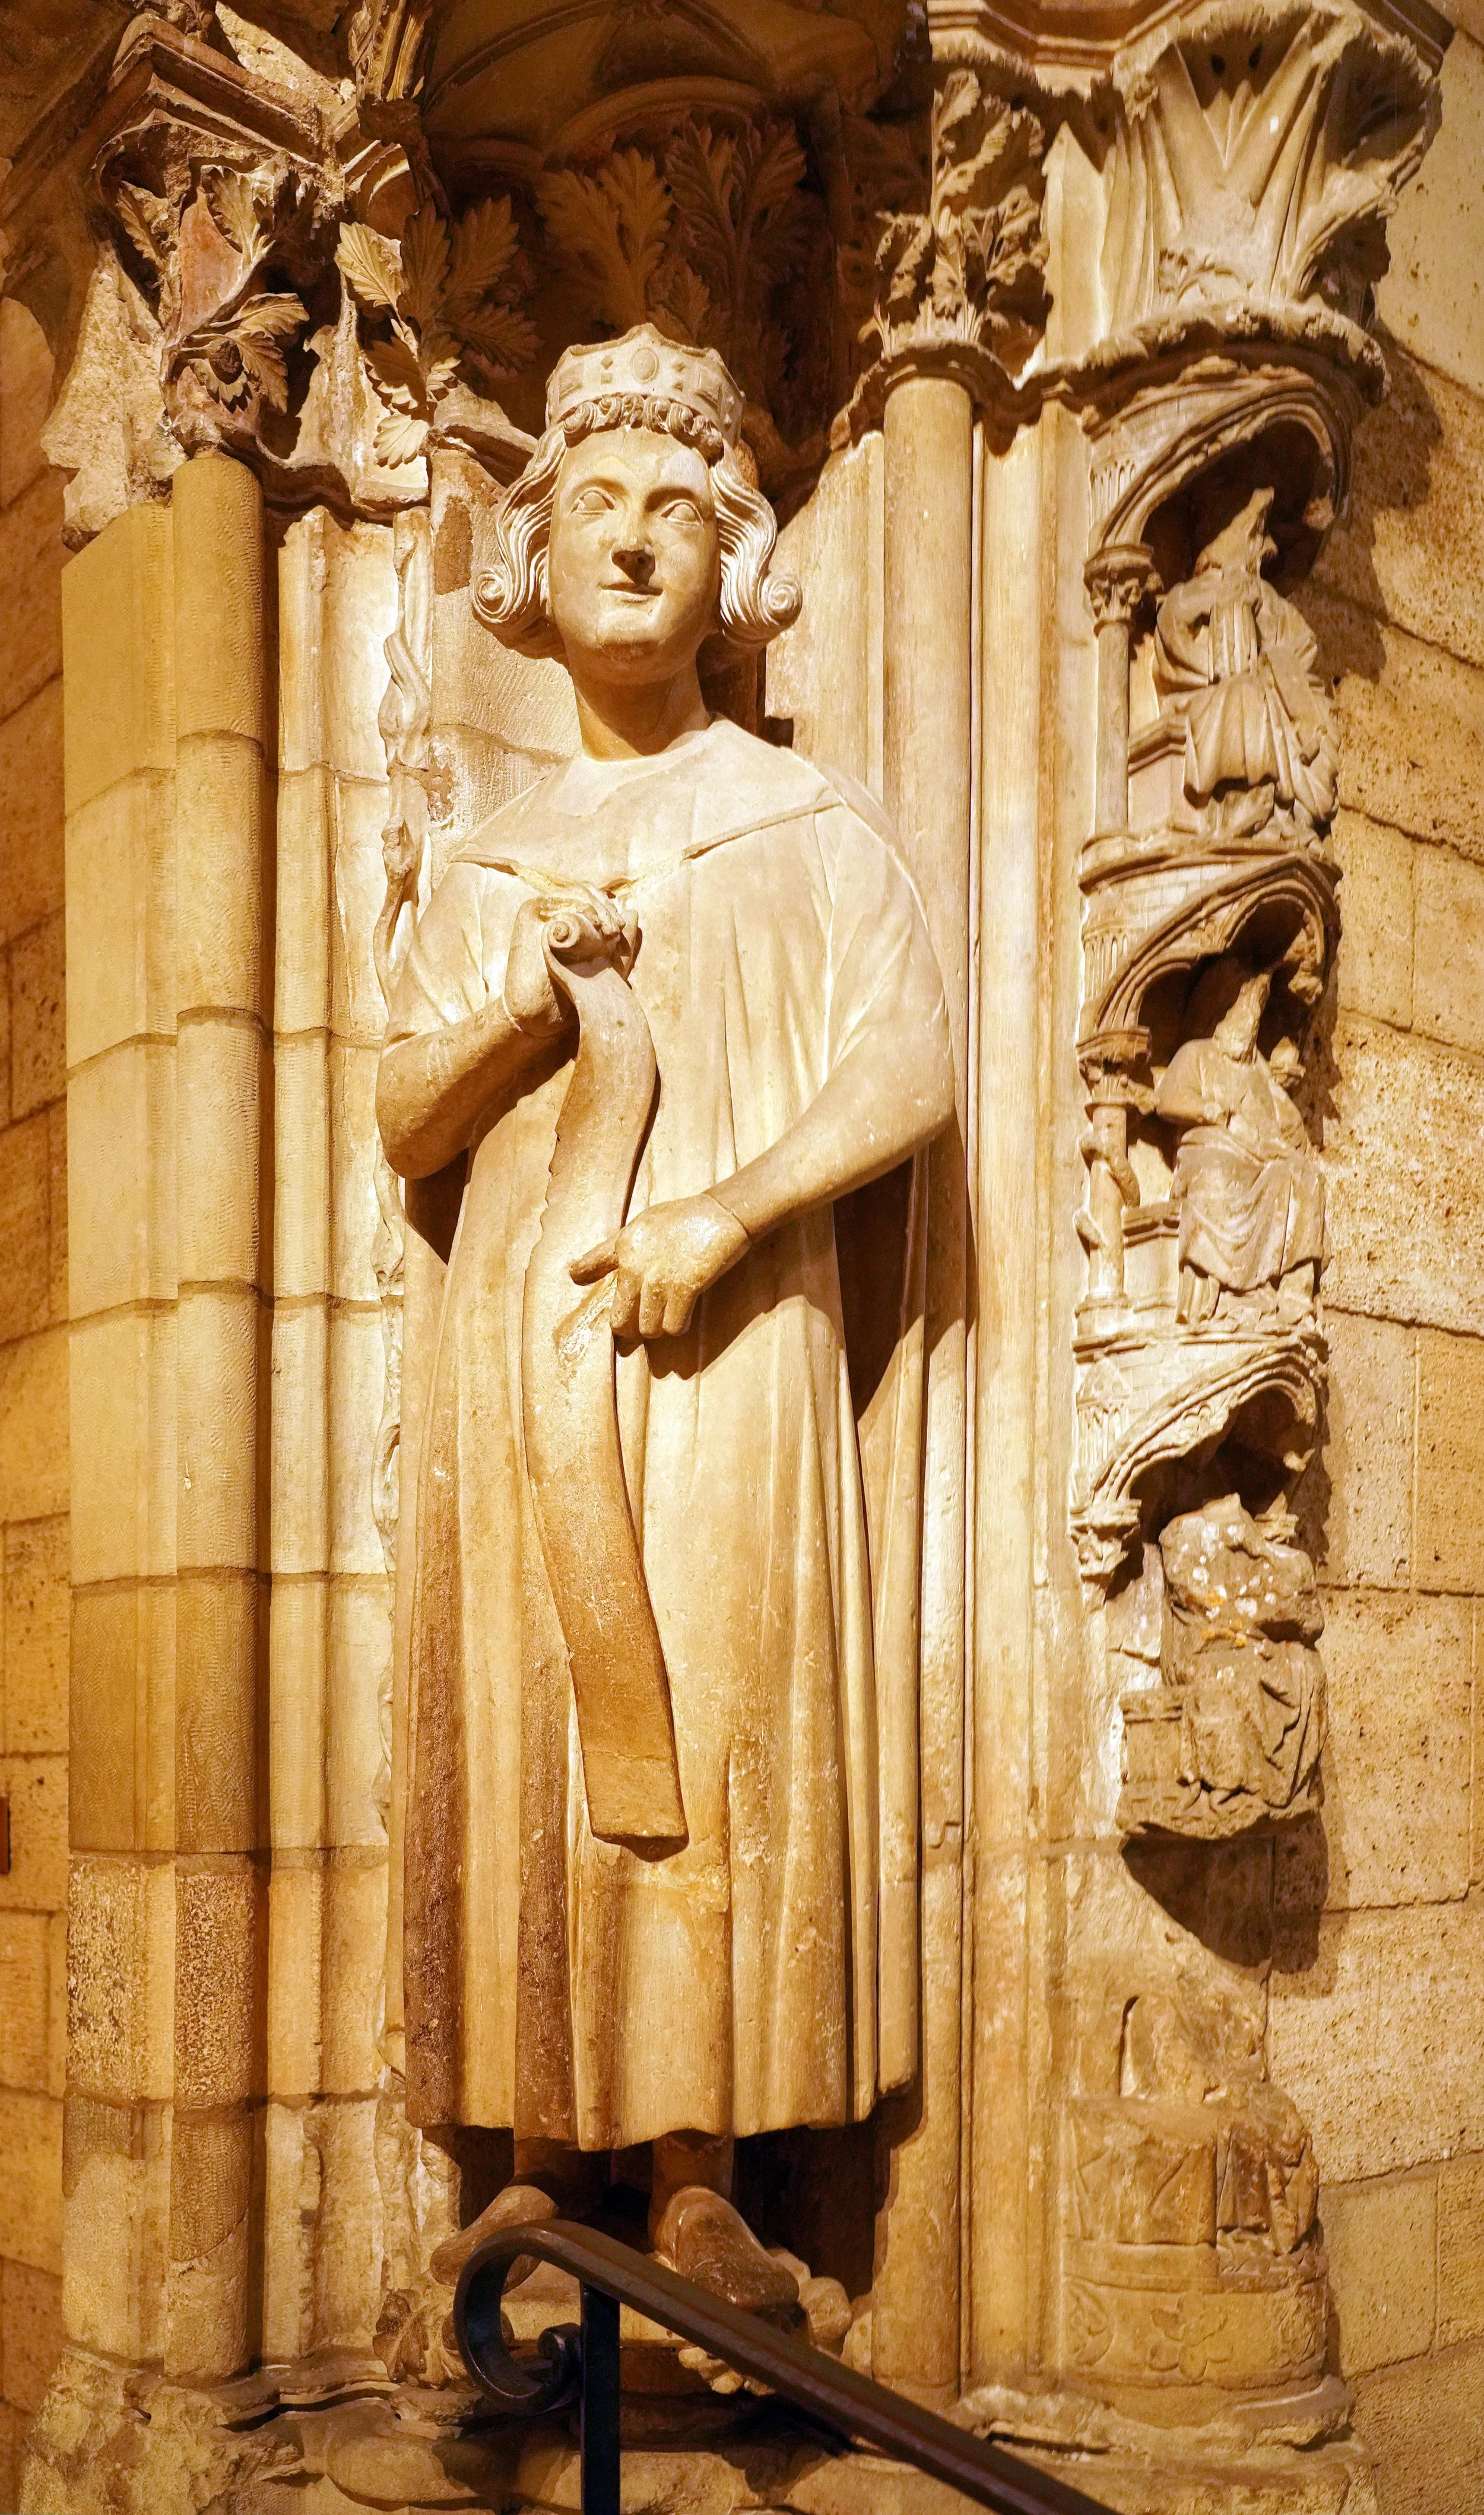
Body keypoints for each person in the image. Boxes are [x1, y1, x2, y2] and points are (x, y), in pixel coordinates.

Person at [376, 325, 955, 2309]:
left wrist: (726, 1209)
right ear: (532, 552)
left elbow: (907, 1071)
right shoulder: (474, 856)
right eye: (596, 505)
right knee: (535, 1737)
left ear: (740, 557)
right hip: (513, 1353)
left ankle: (703, 2165)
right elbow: (400, 1116)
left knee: (714, 1727)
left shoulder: (806, 827)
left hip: (723, 1362)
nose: (634, 543)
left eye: (677, 511)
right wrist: (523, 1004)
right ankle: (542, 2153)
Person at [1154, 969, 1323, 1328]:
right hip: (1211, 1151)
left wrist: (1281, 1092)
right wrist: (1205, 1109)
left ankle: (1291, 1296)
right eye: (1244, 1013)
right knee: (1216, 1174)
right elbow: (1167, 1099)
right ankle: (1219, 1302)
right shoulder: (1196, 1054)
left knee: (1302, 1179)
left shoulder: (1255, 1070)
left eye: (1256, 1018)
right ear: (1220, 1013)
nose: (1251, 1026)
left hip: (1257, 1157)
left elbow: (1286, 1123)